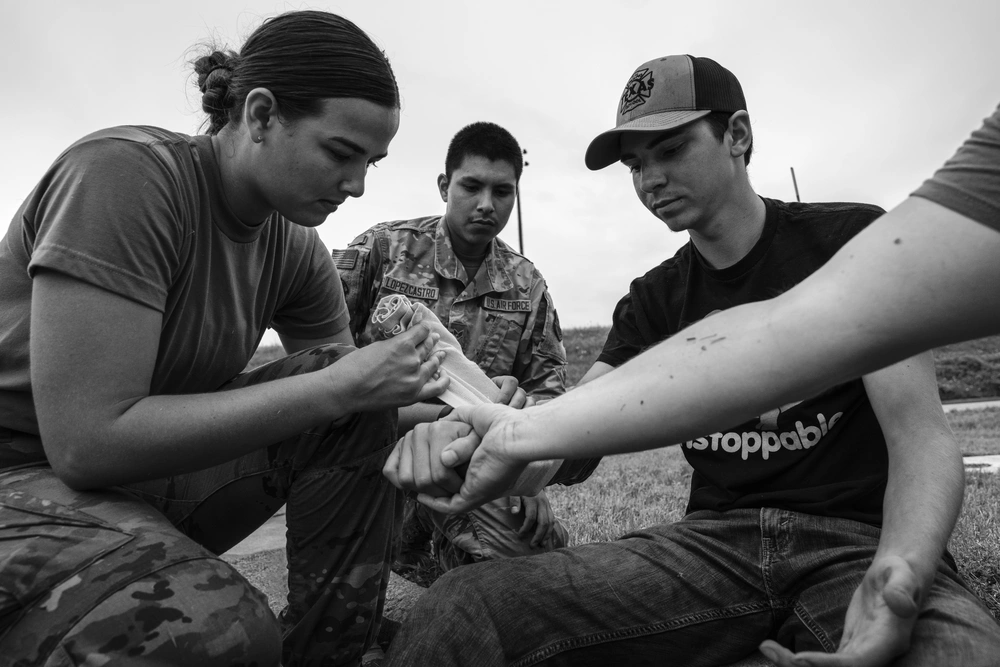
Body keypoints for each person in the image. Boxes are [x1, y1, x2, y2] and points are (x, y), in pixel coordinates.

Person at [383, 55, 1000, 666]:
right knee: (461, 608)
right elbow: (572, 436)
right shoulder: (654, 298)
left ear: (738, 135)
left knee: (957, 654)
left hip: (859, 542)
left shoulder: (852, 242)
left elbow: (921, 435)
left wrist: (901, 570)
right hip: (712, 549)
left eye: (671, 150)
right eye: (635, 164)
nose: (650, 179)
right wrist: (479, 446)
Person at [0, 11, 449, 666]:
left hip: (137, 480)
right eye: (340, 153)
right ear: (261, 115)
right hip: (19, 469)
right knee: (210, 629)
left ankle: (326, 653)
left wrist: (466, 414)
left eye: (371, 163)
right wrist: (341, 385)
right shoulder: (125, 178)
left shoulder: (295, 249)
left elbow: (354, 402)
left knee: (351, 403)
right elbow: (84, 443)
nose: (357, 185)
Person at [334, 121, 582, 573]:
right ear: (445, 186)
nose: (487, 205)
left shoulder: (526, 284)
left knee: (537, 561)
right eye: (472, 186)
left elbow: (548, 396)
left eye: (503, 192)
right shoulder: (383, 250)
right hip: (372, 455)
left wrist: (527, 481)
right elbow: (322, 355)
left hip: (473, 463)